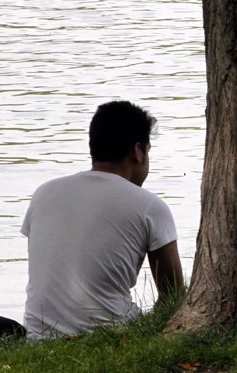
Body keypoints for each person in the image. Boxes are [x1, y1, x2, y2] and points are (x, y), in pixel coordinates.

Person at [21, 100, 184, 340]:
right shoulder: (150, 206)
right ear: (138, 151)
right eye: (148, 151)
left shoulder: (44, 193)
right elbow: (173, 297)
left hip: (38, 337)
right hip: (113, 335)